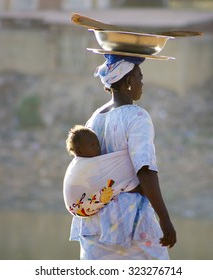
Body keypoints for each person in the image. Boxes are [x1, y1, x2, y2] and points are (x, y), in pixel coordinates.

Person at [69, 54, 177, 260]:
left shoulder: (95, 118)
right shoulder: (136, 116)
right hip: (129, 221)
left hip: (95, 220)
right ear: (129, 81)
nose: (142, 83)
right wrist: (165, 219)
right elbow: (144, 170)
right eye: (140, 77)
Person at [63, 124, 142, 217]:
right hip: (80, 206)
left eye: (98, 144)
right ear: (79, 151)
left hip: (78, 210)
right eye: (92, 146)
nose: (97, 148)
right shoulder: (83, 165)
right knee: (121, 181)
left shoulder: (83, 163)